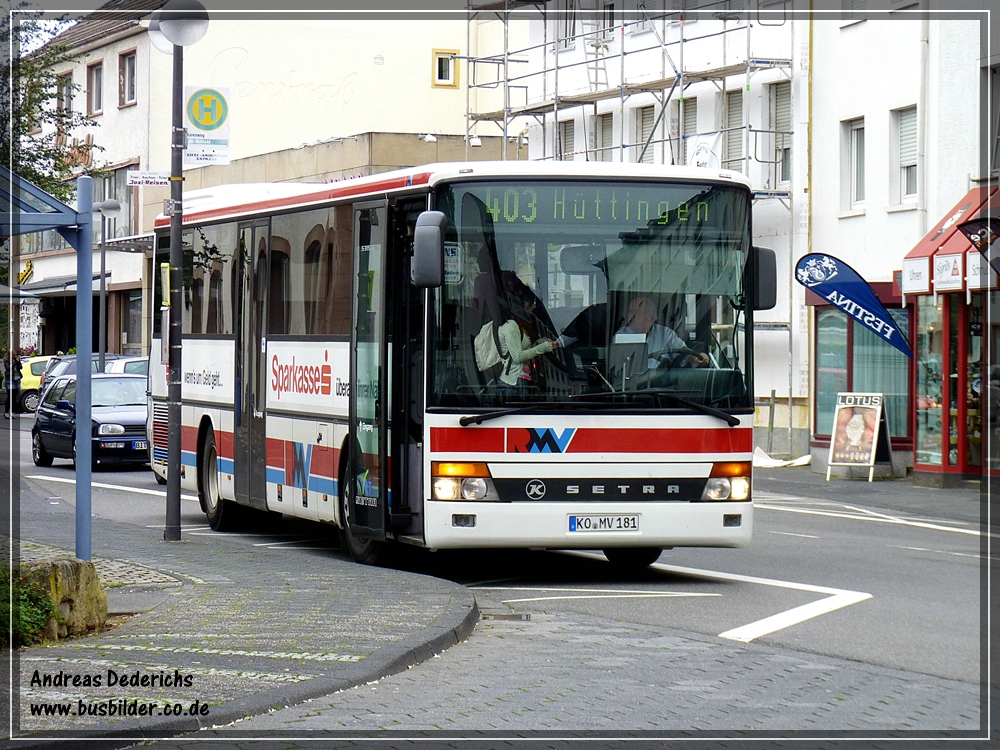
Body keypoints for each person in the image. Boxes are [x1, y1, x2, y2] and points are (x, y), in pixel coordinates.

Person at [495, 274, 559, 392]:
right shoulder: (511, 326)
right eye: (531, 302)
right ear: (522, 303)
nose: (534, 306)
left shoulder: (520, 325)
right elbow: (518, 357)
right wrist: (543, 347)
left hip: (521, 381)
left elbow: (524, 352)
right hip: (513, 383)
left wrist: (540, 342)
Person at [617, 297, 709, 369]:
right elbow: (617, 365)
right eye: (629, 311)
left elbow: (683, 351)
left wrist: (696, 357)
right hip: (632, 388)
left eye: (633, 312)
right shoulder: (622, 335)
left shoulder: (665, 334)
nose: (629, 315)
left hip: (660, 385)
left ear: (648, 315)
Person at [3, 351, 22, 418]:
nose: (14, 356)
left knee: (14, 397)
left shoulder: (15, 360)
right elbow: (8, 368)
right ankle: (6, 412)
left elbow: (20, 368)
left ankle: (12, 412)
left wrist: (18, 362)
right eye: (13, 355)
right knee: (10, 396)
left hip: (17, 379)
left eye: (14, 355)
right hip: (10, 380)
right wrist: (14, 362)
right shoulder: (6, 361)